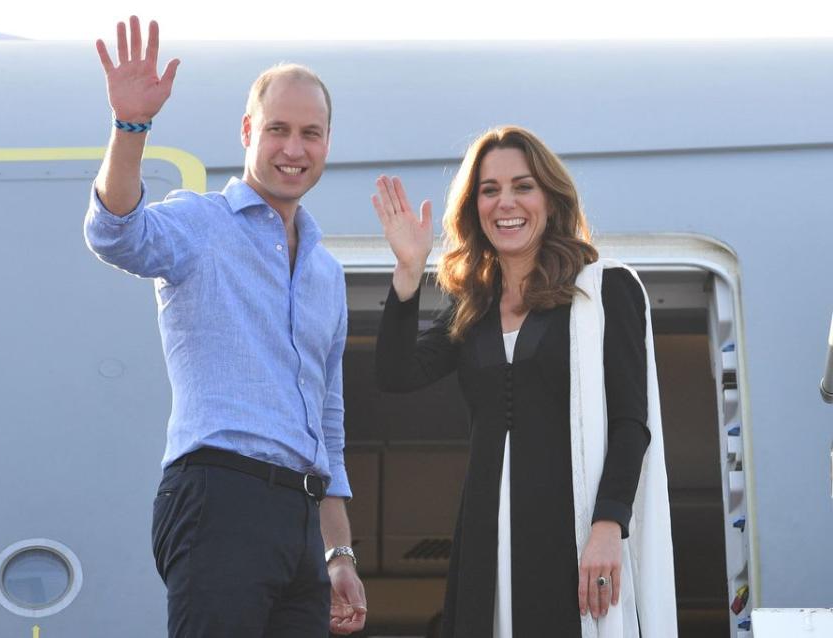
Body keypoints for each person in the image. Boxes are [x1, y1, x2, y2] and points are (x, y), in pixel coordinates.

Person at [84, 16, 366, 638]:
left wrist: (338, 554)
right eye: (278, 130)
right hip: (219, 495)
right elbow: (114, 233)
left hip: (302, 518)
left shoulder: (325, 271)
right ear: (247, 132)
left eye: (310, 134)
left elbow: (329, 423)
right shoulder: (200, 222)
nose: (294, 149)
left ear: (327, 143)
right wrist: (131, 126)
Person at [372, 126, 676, 637]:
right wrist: (407, 271)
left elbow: (631, 422)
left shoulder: (605, 290)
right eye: (489, 190)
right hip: (485, 538)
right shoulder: (473, 309)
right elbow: (396, 374)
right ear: (475, 208)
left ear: (550, 199)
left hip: (572, 533)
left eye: (522, 186)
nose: (505, 202)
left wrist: (608, 525)